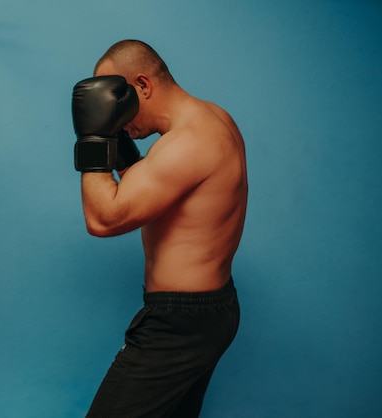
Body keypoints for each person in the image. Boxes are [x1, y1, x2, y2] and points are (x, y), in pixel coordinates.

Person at [71, 39, 248, 418]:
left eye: (116, 98)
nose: (115, 114)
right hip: (210, 310)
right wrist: (120, 150)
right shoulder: (213, 118)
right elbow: (157, 191)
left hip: (179, 325)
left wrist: (94, 138)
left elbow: (103, 219)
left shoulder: (187, 144)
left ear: (143, 86)